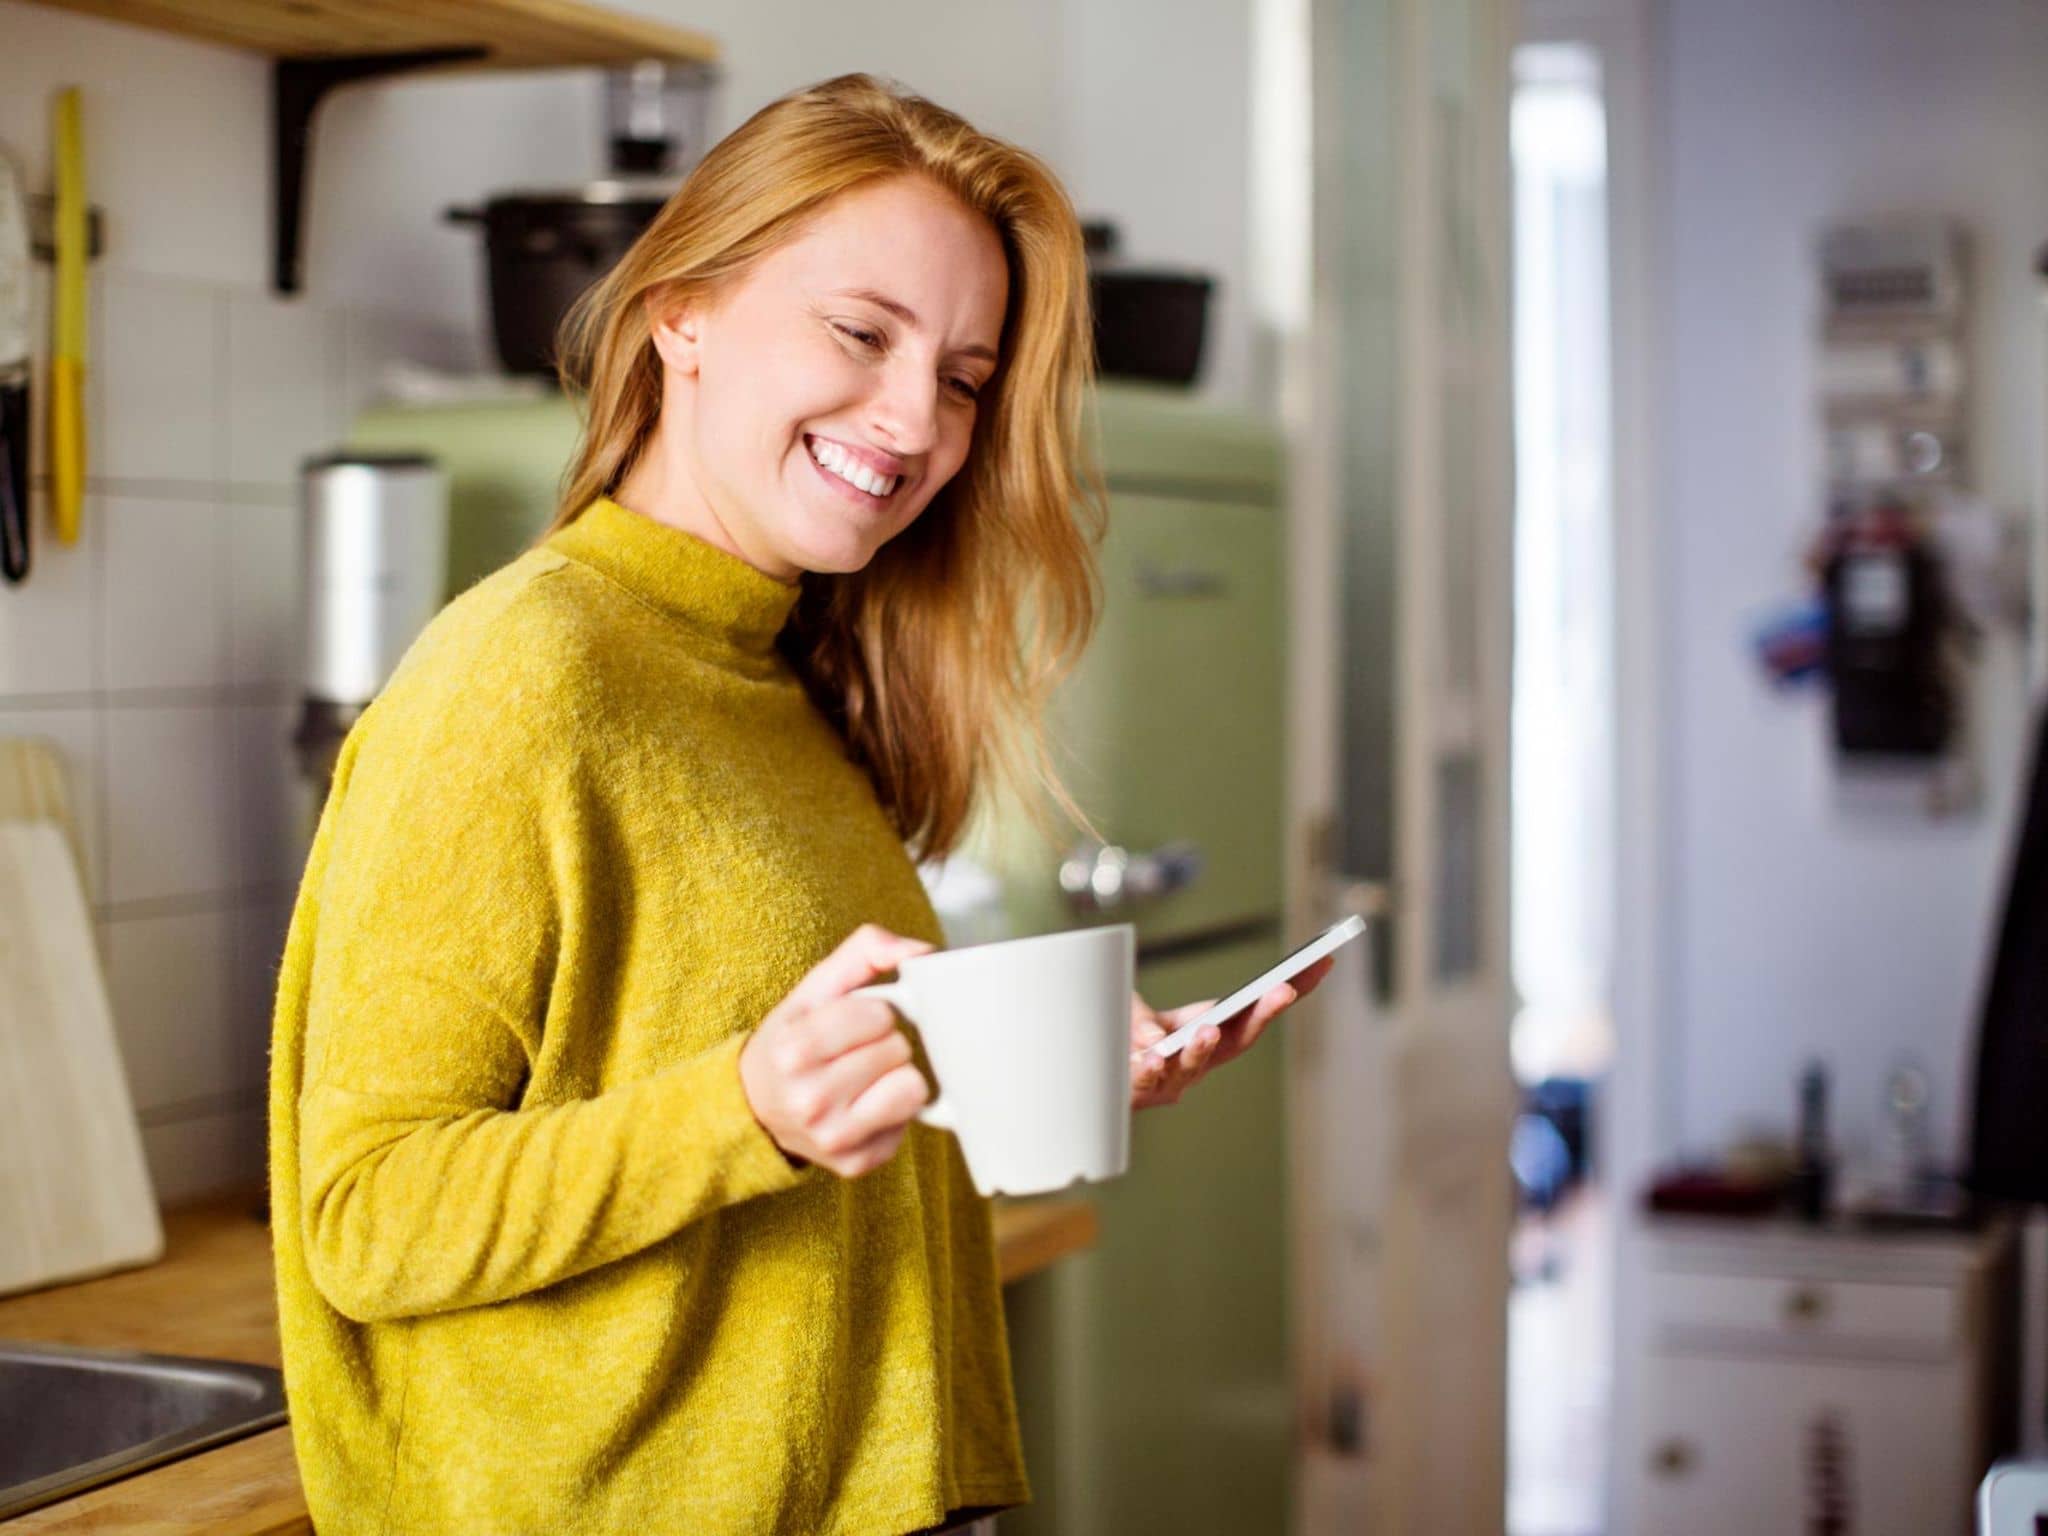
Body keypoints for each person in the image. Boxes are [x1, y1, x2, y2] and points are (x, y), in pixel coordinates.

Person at [267, 72, 1331, 1536]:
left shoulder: (777, 671)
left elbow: (725, 1052)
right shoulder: (521, 677)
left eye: (962, 378)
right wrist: (746, 1110)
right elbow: (369, 1217)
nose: (914, 420)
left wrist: (1020, 1054)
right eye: (861, 333)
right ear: (682, 313)